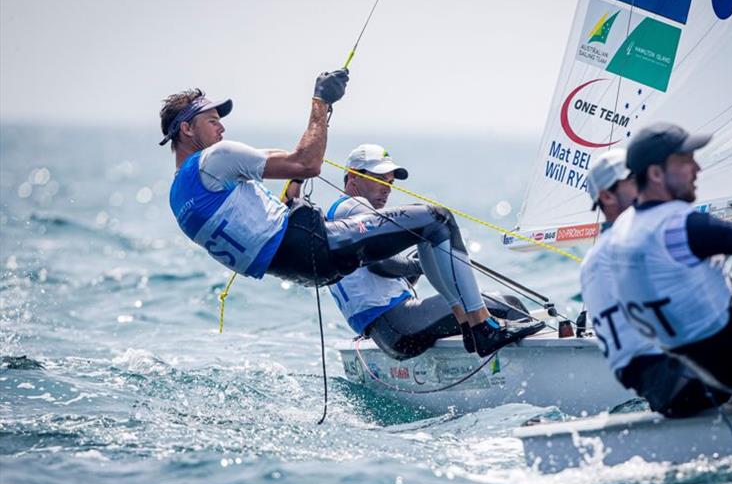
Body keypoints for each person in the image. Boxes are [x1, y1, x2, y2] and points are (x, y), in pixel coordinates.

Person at [163, 71, 532, 357]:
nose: (222, 126)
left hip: (292, 265)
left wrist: (294, 184)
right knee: (437, 220)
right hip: (307, 244)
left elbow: (259, 216)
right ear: (186, 127)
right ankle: (480, 328)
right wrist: (320, 103)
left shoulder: (179, 195)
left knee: (428, 229)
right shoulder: (216, 158)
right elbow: (306, 163)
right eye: (212, 120)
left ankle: (471, 325)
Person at [604, 122, 732, 393]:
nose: (697, 169)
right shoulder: (680, 227)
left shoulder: (625, 229)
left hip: (709, 365)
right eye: (686, 160)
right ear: (656, 173)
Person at [315, 144, 539, 360]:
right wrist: (418, 265)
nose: (388, 188)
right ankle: (524, 366)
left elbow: (375, 277)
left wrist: (415, 267)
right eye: (380, 179)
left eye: (390, 182)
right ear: (353, 177)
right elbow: (380, 265)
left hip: (386, 332)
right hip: (400, 321)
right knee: (509, 305)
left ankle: (479, 344)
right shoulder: (353, 207)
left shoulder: (337, 220)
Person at [580, 149, 732, 416]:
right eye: (634, 179)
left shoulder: (596, 258)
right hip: (683, 380)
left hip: (659, 384)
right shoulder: (636, 244)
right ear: (607, 195)